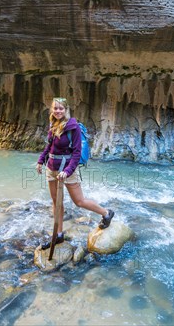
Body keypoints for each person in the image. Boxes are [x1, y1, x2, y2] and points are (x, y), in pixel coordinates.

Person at [36, 97, 114, 249]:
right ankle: (58, 235)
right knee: (56, 203)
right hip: (51, 168)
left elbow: (77, 153)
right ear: (52, 110)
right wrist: (40, 160)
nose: (58, 111)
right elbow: (49, 147)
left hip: (68, 170)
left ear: (66, 110)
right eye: (55, 108)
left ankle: (106, 213)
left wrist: (67, 171)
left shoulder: (73, 127)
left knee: (79, 201)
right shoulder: (53, 124)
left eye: (61, 108)